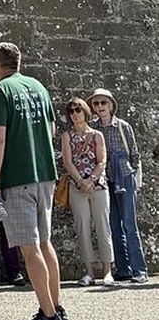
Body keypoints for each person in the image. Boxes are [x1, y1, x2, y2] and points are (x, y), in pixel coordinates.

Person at [0, 42, 65, 320]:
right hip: (45, 173)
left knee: (29, 249)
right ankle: (57, 307)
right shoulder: (38, 87)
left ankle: (49, 315)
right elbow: (51, 128)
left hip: (17, 177)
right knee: (45, 243)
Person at [87, 88, 148, 283]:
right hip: (106, 179)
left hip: (124, 176)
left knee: (130, 224)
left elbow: (134, 153)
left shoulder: (123, 126)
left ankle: (139, 270)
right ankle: (124, 269)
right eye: (96, 104)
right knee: (114, 224)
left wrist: (130, 172)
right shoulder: (94, 129)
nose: (99, 107)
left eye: (103, 103)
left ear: (111, 105)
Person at [60, 97, 112, 286]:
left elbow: (102, 160)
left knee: (103, 226)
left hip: (98, 186)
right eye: (71, 111)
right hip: (77, 186)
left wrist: (91, 180)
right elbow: (67, 162)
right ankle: (89, 271)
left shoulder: (97, 135)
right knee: (82, 228)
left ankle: (107, 271)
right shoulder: (67, 136)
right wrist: (81, 181)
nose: (74, 114)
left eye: (77, 110)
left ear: (85, 112)